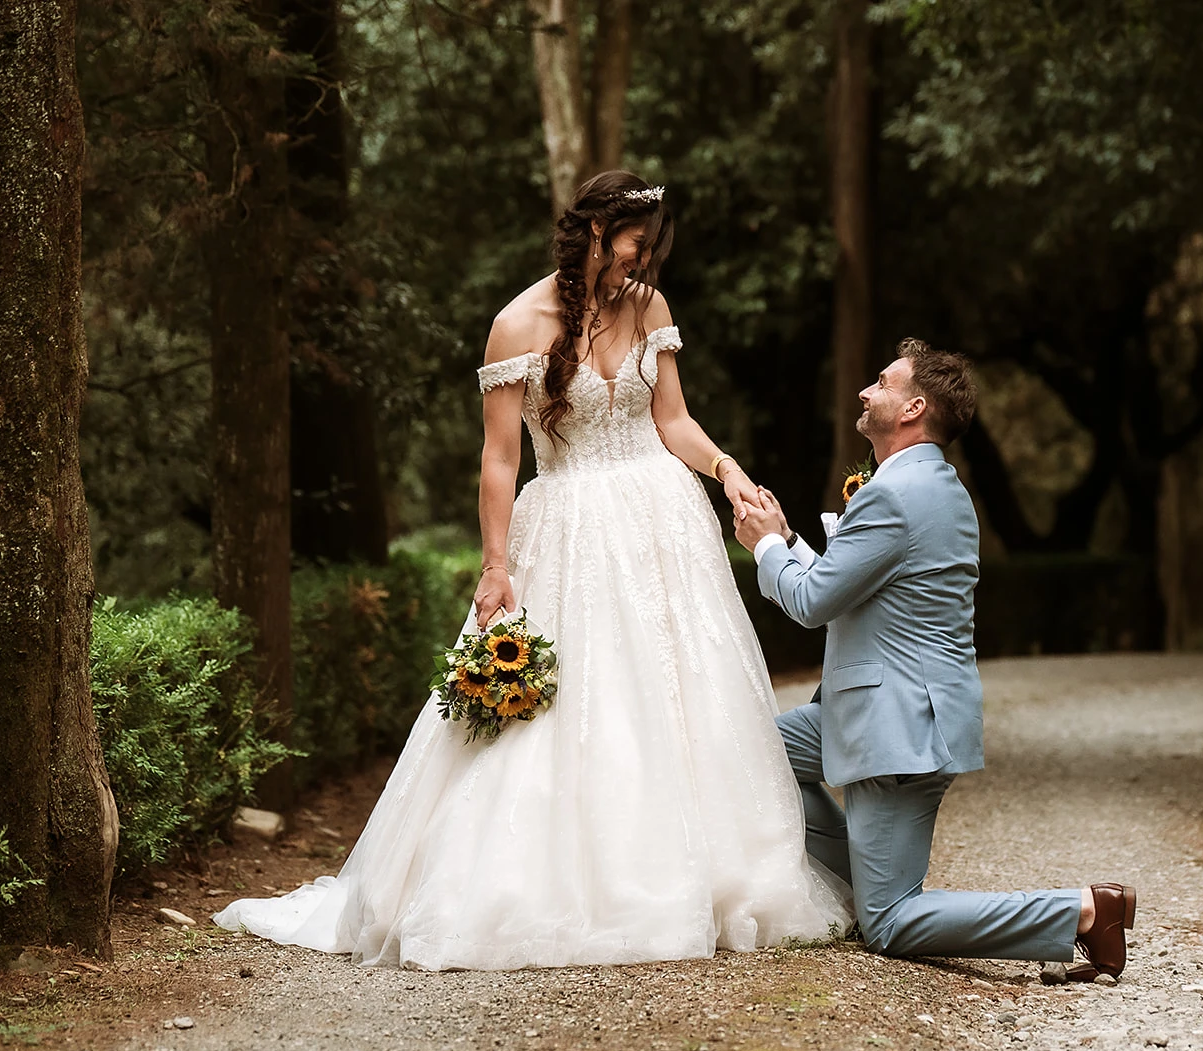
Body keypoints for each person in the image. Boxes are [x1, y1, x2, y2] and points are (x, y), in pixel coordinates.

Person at [214, 170, 848, 970]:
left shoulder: (648, 307)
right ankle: (577, 883)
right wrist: (495, 564)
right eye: (635, 243)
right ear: (596, 231)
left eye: (650, 248)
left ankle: (707, 871)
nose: (643, 261)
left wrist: (726, 471)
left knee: (682, 690)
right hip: (570, 528)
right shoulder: (516, 325)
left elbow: (673, 418)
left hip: (663, 520)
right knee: (577, 704)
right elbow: (499, 459)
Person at [733, 338, 1135, 981]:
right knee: (749, 755)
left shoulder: (894, 495)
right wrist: (786, 539)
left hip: (897, 723)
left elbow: (811, 603)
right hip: (875, 705)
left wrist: (764, 549)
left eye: (882, 382)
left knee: (892, 922)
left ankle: (1085, 912)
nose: (865, 391)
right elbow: (849, 589)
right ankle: (860, 886)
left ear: (914, 408)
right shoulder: (930, 487)